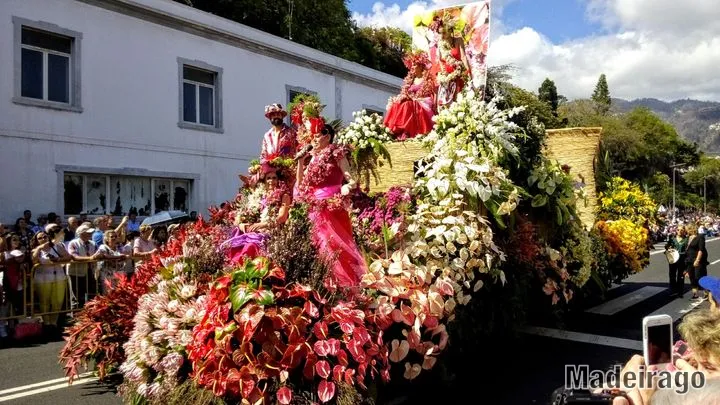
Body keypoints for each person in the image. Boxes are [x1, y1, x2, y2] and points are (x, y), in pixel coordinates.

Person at [296, 122, 367, 288]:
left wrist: (344, 188)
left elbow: (352, 181)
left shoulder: (337, 153)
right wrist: (300, 162)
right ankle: (322, 286)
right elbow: (300, 186)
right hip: (314, 209)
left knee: (335, 248)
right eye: (312, 136)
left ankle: (342, 287)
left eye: (316, 135)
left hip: (332, 207)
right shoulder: (313, 157)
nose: (313, 139)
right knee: (317, 248)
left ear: (327, 136)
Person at [222, 164, 292, 264]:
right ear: (264, 181)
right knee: (235, 240)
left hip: (271, 231)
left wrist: (261, 225)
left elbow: (282, 217)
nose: (271, 181)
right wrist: (241, 224)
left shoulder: (284, 196)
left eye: (274, 178)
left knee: (250, 245)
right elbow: (241, 216)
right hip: (254, 230)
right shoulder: (257, 195)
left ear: (279, 180)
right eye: (268, 178)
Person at [384, 52, 437, 140]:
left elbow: (429, 93)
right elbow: (405, 92)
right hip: (410, 101)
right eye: (412, 65)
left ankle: (407, 132)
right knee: (396, 105)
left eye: (415, 65)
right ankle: (396, 132)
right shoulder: (411, 79)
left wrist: (413, 98)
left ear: (420, 66)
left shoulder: (426, 79)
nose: (412, 67)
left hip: (421, 102)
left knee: (407, 105)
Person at [31, 225, 72, 331]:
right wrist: (39, 248)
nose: (43, 239)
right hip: (42, 278)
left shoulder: (57, 246)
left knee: (57, 301)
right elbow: (34, 261)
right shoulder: (36, 250)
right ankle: (46, 323)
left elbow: (68, 257)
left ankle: (53, 323)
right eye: (40, 238)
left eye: (44, 237)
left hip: (58, 276)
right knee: (44, 301)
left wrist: (57, 259)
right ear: (36, 240)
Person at [67, 223, 102, 307]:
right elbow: (74, 257)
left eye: (91, 233)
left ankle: (90, 315)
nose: (90, 234)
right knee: (77, 296)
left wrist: (99, 256)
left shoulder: (93, 243)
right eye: (88, 233)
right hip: (76, 273)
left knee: (91, 294)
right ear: (81, 234)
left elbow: (98, 254)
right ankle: (76, 316)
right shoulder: (73, 243)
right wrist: (90, 258)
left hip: (90, 272)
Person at [95, 230, 131, 294]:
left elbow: (126, 254)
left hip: (119, 274)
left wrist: (126, 256)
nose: (114, 238)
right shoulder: (103, 247)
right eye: (112, 237)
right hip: (107, 275)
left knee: (120, 294)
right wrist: (118, 257)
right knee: (109, 295)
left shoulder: (119, 247)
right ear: (107, 238)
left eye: (115, 236)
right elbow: (104, 256)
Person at [685, 224, 708, 300]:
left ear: (691, 229)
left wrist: (697, 260)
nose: (686, 231)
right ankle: (695, 294)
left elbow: (701, 250)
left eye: (687, 229)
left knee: (700, 277)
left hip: (698, 260)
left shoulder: (700, 237)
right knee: (692, 277)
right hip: (689, 260)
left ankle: (706, 293)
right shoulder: (688, 238)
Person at [664, 226, 688, 297]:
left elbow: (688, 250)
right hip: (673, 259)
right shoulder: (672, 239)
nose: (680, 231)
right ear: (676, 231)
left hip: (682, 259)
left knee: (681, 275)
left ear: (684, 231)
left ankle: (680, 291)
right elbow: (667, 246)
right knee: (672, 275)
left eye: (681, 230)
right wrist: (668, 248)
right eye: (678, 230)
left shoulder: (686, 239)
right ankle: (673, 290)